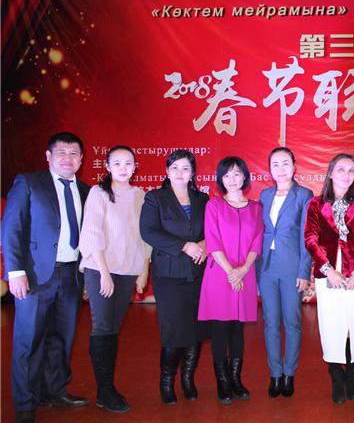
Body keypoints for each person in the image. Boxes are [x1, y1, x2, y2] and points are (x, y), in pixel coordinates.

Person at [2, 132, 91, 423]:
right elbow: (11, 228)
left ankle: (55, 391)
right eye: (61, 152)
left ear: (81, 159)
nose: (68, 158)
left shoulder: (86, 190)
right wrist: (15, 272)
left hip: (71, 275)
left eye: (74, 153)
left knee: (62, 339)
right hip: (35, 276)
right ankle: (25, 403)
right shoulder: (29, 182)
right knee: (28, 340)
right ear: (48, 156)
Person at [79, 145, 151, 413]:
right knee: (102, 327)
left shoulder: (140, 195)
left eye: (128, 163)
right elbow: (92, 233)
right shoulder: (98, 193)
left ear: (135, 166)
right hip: (101, 269)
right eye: (117, 163)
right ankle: (105, 390)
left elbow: (144, 235)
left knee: (112, 327)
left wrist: (143, 269)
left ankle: (106, 389)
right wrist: (104, 272)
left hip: (128, 269)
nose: (123, 168)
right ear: (107, 167)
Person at [304, 153, 354, 405]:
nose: (347, 174)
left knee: (353, 325)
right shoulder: (316, 204)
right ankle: (336, 377)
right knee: (332, 325)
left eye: (351, 170)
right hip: (328, 274)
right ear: (330, 173)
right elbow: (310, 239)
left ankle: (352, 375)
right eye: (341, 169)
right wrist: (328, 270)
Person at [139, 149, 209, 405]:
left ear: (193, 173)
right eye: (175, 168)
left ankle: (188, 379)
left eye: (186, 168)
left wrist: (204, 243)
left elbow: (213, 229)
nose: (180, 173)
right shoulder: (155, 198)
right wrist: (184, 246)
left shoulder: (202, 198)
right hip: (169, 274)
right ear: (167, 171)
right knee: (174, 329)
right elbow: (148, 231)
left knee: (196, 328)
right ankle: (166, 381)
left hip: (198, 273)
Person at [198, 156, 263, 404]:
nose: (232, 179)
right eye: (227, 175)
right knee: (220, 329)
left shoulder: (256, 208)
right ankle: (222, 382)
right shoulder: (214, 206)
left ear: (245, 176)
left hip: (245, 274)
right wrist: (230, 271)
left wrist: (243, 270)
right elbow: (213, 241)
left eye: (237, 174)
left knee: (237, 329)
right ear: (220, 179)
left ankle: (236, 379)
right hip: (219, 274)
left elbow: (257, 242)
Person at [258, 148, 313, 398]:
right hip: (267, 268)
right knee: (270, 323)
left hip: (292, 268)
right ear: (269, 169)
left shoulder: (303, 195)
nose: (280, 169)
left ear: (294, 167)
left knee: (292, 322)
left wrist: (304, 271)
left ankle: (289, 372)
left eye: (285, 163)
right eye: (275, 164)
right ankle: (275, 373)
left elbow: (307, 236)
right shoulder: (265, 195)